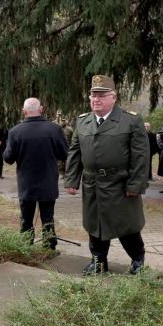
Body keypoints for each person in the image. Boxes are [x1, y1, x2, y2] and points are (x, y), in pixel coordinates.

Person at [65, 75, 149, 276]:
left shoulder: (130, 121)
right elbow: (75, 152)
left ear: (114, 98)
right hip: (92, 183)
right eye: (93, 95)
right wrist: (71, 180)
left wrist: (135, 185)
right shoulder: (83, 122)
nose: (96, 99)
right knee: (95, 227)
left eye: (102, 95)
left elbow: (141, 156)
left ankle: (137, 260)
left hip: (119, 183)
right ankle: (98, 261)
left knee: (127, 226)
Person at [3, 98, 68, 250]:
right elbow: (65, 154)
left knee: (26, 218)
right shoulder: (55, 129)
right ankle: (49, 246)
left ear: (24, 112)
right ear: (42, 109)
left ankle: (26, 246)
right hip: (48, 180)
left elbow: (8, 159)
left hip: (27, 183)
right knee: (48, 216)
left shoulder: (15, 132)